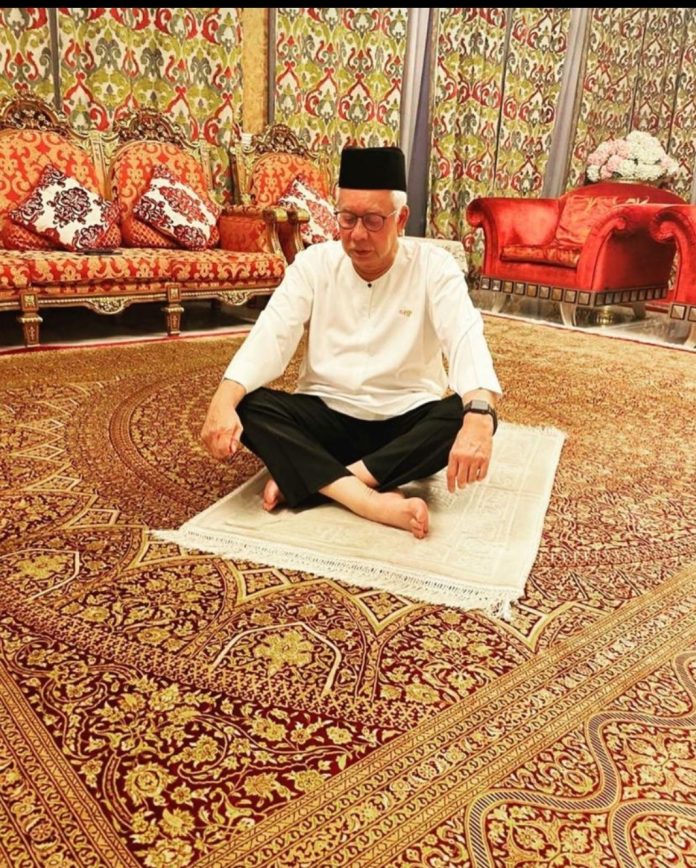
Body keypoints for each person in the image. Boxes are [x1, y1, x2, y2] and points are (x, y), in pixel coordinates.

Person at [201, 145, 501, 539]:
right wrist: (221, 402)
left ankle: (319, 480)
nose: (357, 235)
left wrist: (477, 417)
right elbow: (271, 335)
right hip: (325, 416)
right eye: (347, 219)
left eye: (373, 220)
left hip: (405, 420)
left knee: (469, 415)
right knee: (249, 403)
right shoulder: (314, 263)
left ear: (401, 219)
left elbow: (464, 335)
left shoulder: (434, 267)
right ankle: (367, 499)